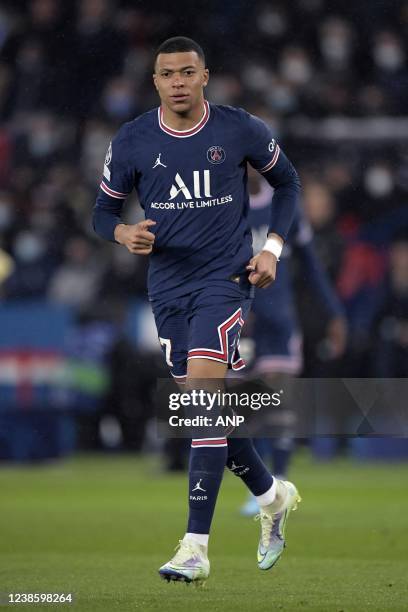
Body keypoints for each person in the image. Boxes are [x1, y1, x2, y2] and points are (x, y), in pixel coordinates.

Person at [93, 36, 301, 585]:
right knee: (203, 414)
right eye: (167, 74)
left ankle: (195, 547)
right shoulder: (133, 139)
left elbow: (288, 182)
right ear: (156, 81)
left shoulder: (239, 128)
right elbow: (101, 210)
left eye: (188, 72)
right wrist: (121, 231)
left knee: (205, 402)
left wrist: (272, 248)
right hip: (167, 289)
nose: (178, 82)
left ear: (205, 76)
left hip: (226, 281)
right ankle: (271, 495)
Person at [240, 171, 347, 516]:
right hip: (243, 321)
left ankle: (280, 482)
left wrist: (334, 313)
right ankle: (261, 490)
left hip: (281, 320)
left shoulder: (285, 206)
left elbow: (312, 266)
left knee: (281, 405)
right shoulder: (228, 205)